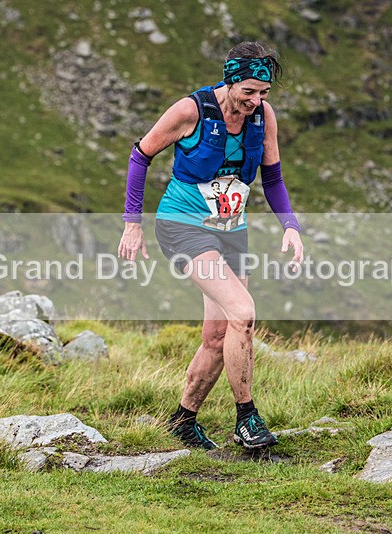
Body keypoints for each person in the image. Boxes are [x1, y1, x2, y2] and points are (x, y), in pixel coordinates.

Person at [117, 41, 304, 450]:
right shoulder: (191, 111)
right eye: (249, 91)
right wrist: (132, 224)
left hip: (232, 229)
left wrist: (290, 227)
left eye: (265, 93)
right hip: (182, 226)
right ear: (230, 80)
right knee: (243, 312)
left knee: (219, 336)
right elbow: (140, 155)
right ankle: (247, 419)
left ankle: (183, 421)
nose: (257, 100)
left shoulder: (263, 117)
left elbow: (271, 178)